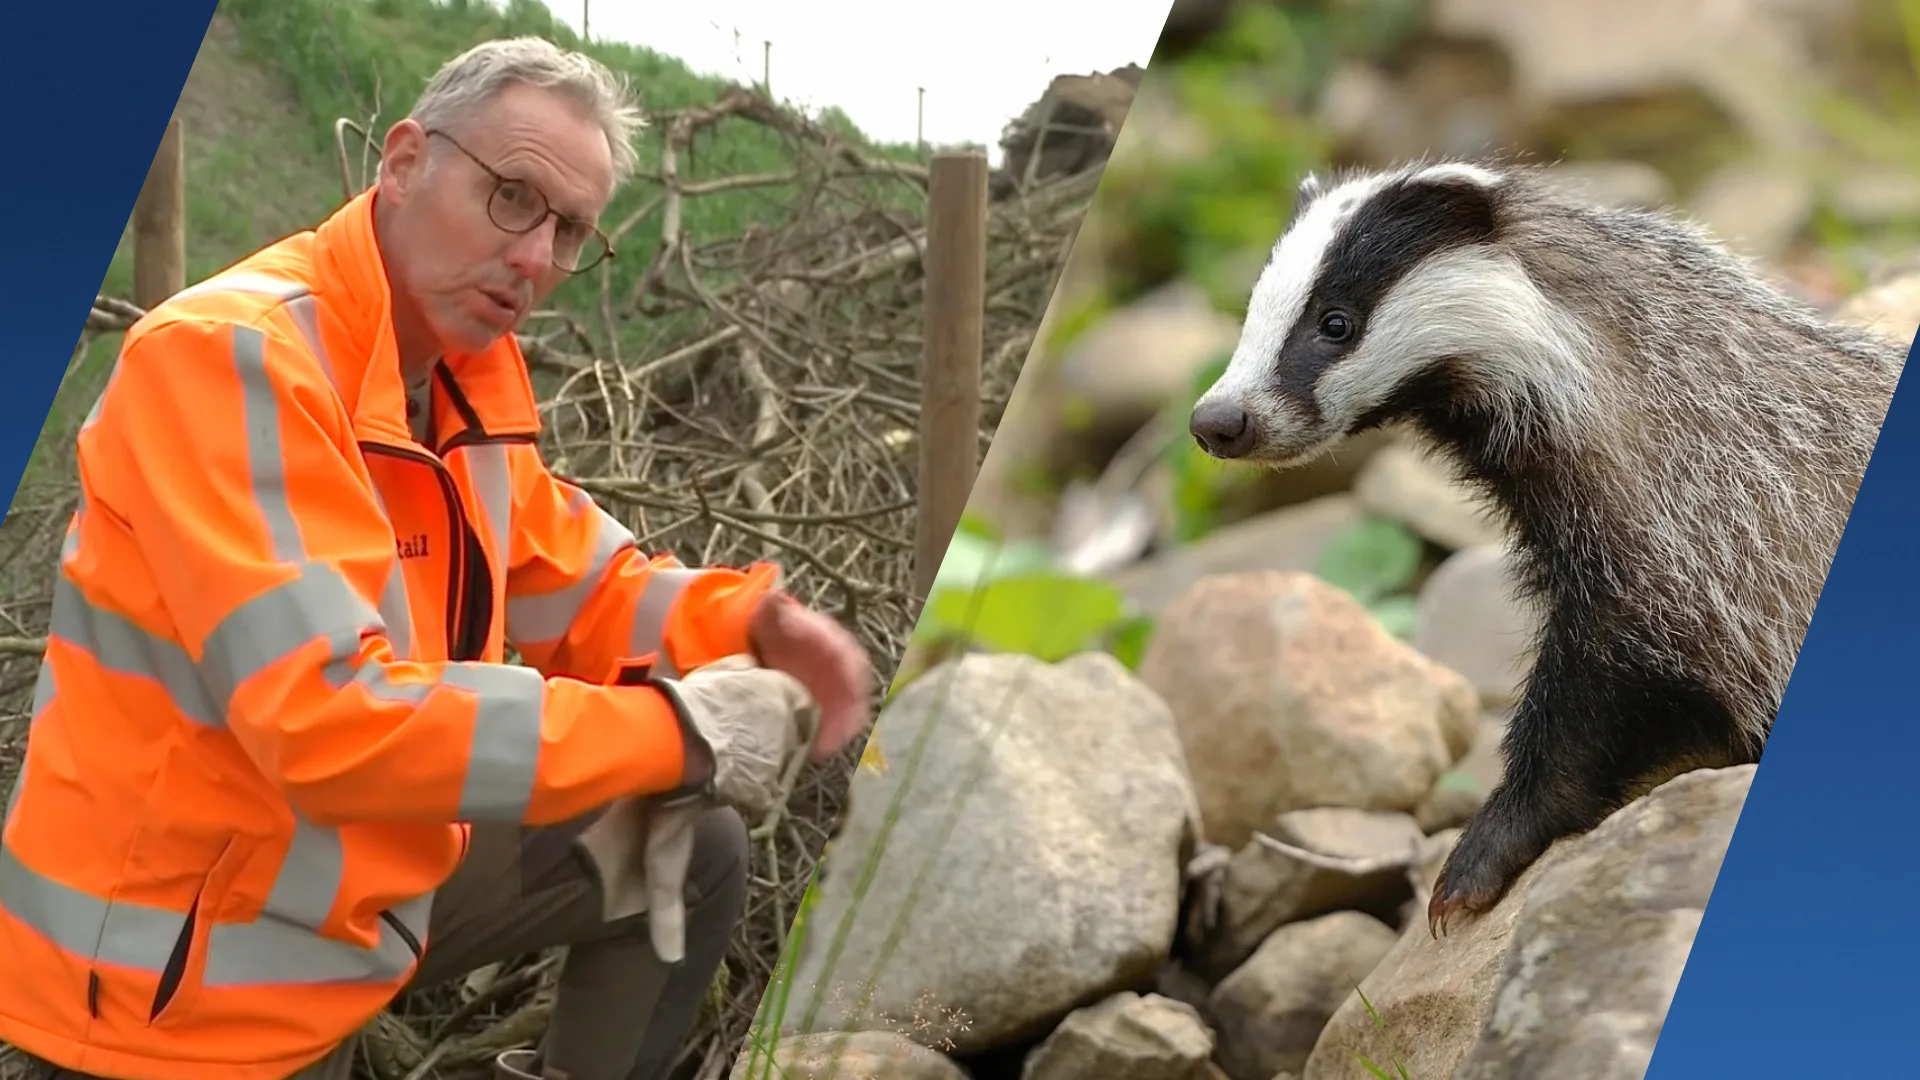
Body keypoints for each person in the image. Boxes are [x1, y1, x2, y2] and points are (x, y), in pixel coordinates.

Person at [0, 35, 876, 1080]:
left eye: (569, 232)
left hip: (345, 896)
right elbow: (334, 721)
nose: (534, 257)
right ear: (405, 161)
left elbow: (573, 585)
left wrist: (745, 625)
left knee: (689, 855)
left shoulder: (457, 380)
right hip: (178, 987)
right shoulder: (231, 360)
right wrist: (678, 729)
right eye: (512, 197)